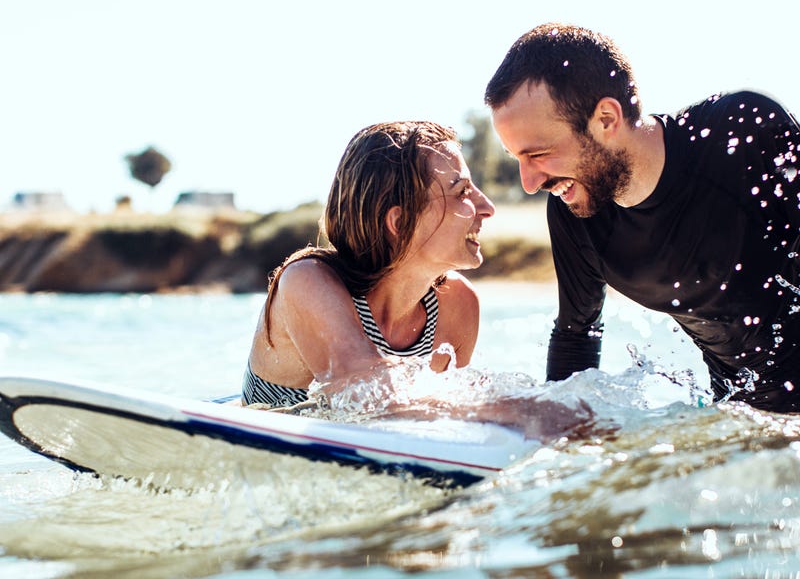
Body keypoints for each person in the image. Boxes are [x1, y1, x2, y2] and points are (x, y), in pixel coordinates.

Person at [485, 22, 800, 413]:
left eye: (537, 154)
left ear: (606, 119)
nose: (529, 183)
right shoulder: (577, 214)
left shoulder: (740, 133)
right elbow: (576, 335)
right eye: (517, 159)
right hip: (744, 420)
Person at [242, 121, 495, 408]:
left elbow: (442, 427)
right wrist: (520, 412)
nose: (487, 207)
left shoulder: (457, 304)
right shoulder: (307, 280)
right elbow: (365, 393)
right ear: (400, 223)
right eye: (462, 192)